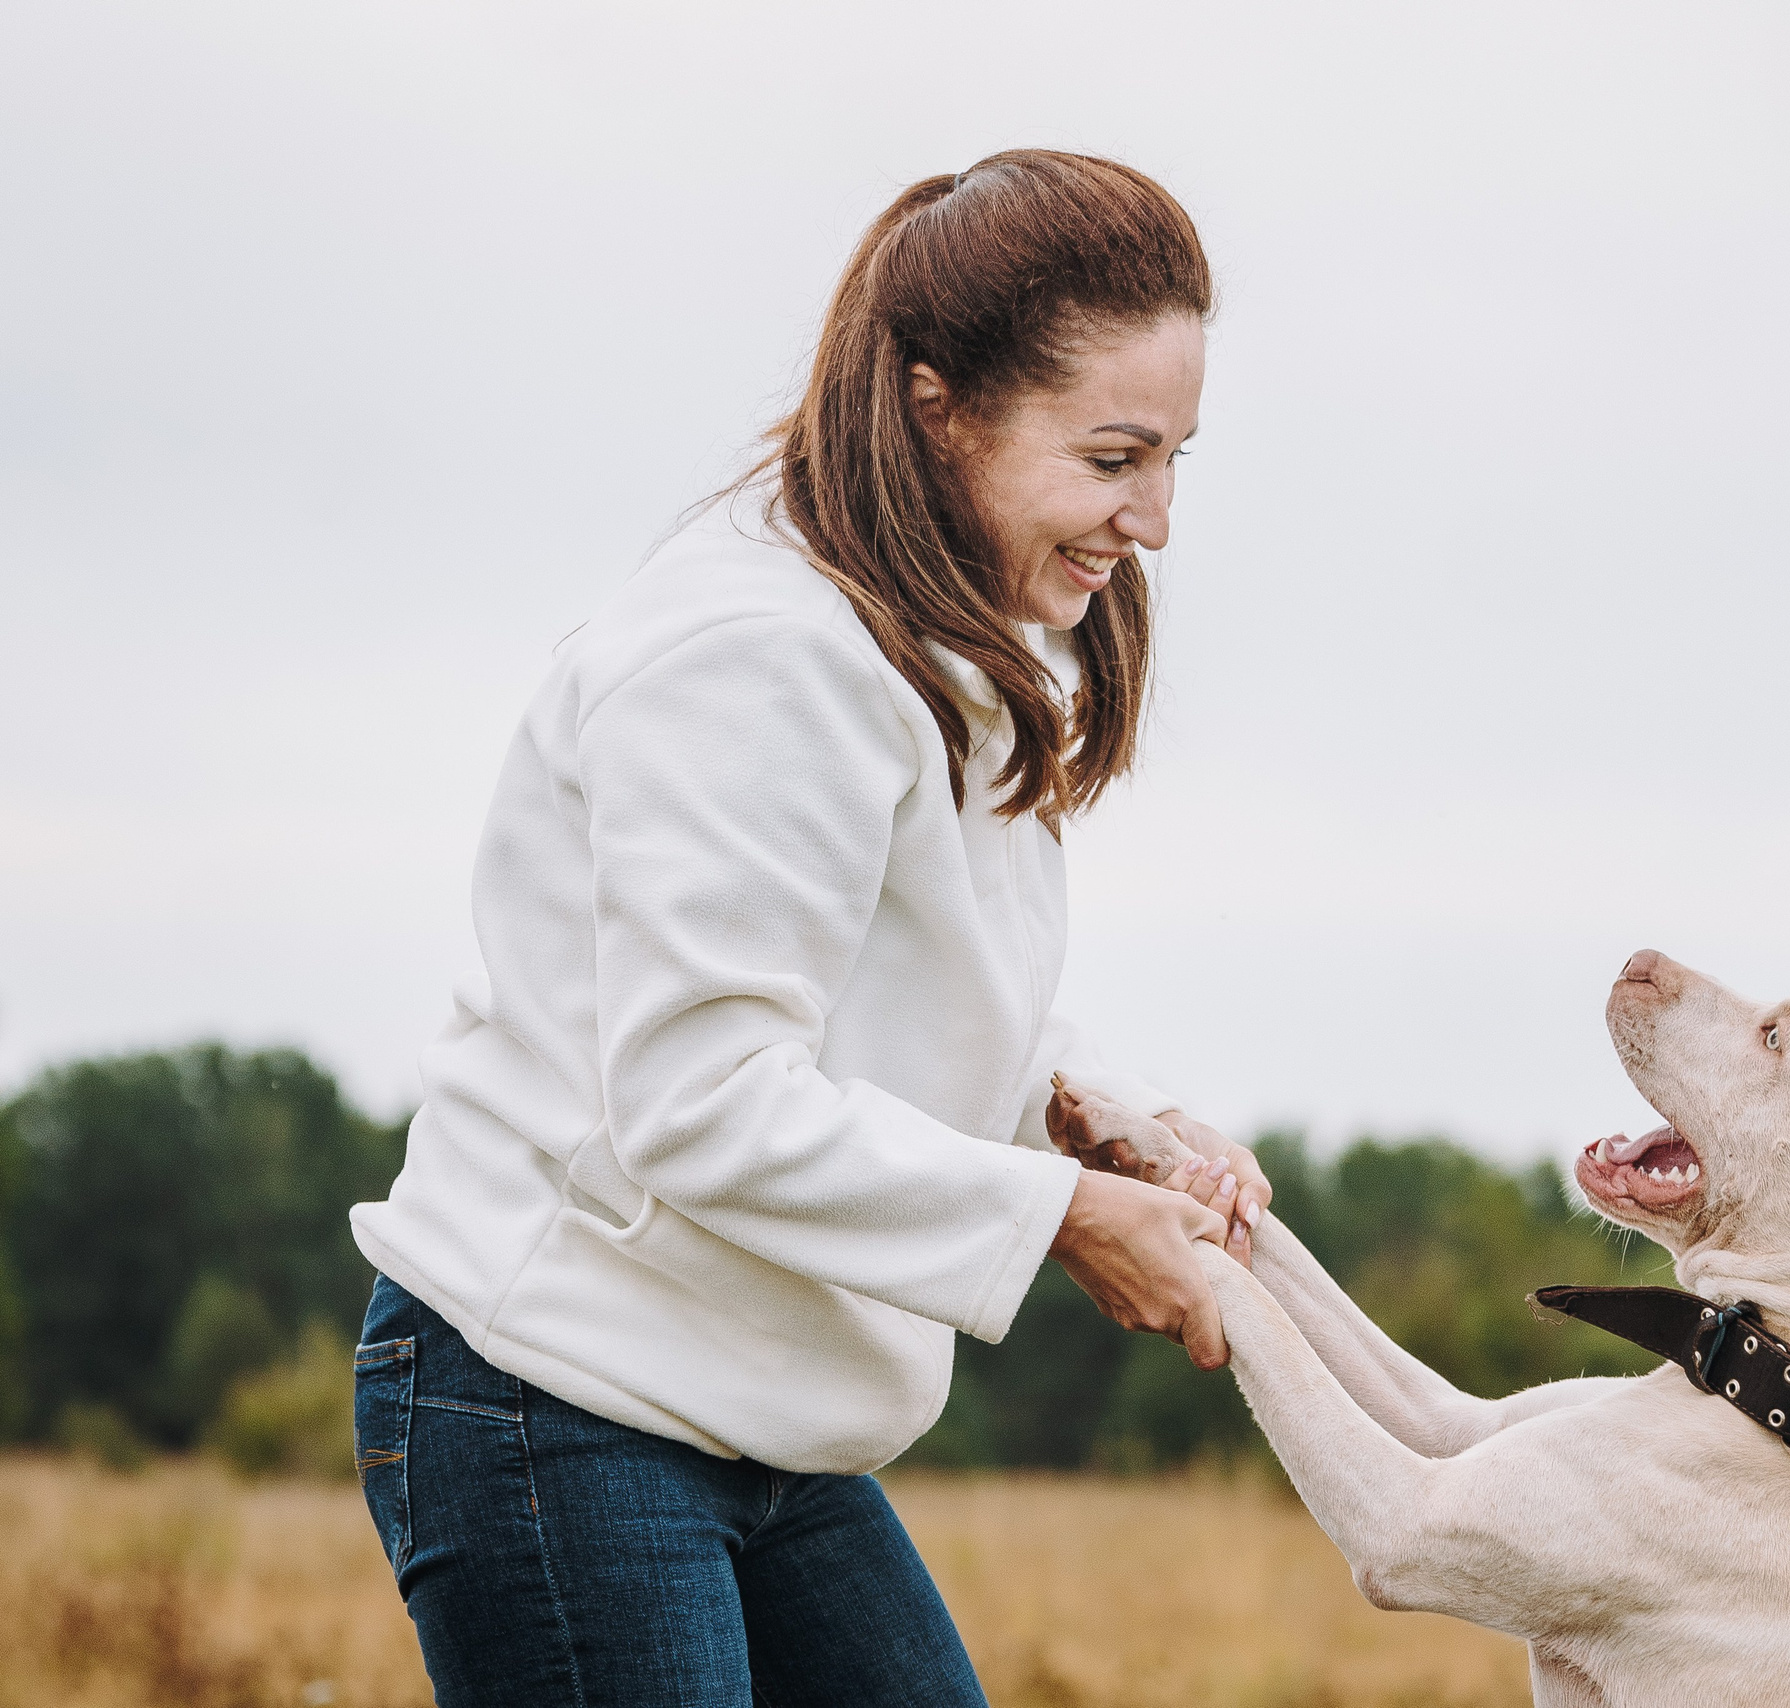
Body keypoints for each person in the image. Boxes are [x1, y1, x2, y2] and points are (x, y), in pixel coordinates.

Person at [346, 149, 1271, 1707]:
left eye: (1178, 455)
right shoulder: (754, 662)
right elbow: (704, 1102)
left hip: (761, 1418)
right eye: (1117, 457)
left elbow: (909, 987)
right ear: (940, 405)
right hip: (557, 1394)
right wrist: (1061, 1224)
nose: (1158, 519)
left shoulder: (954, 643)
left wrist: (1111, 1119)